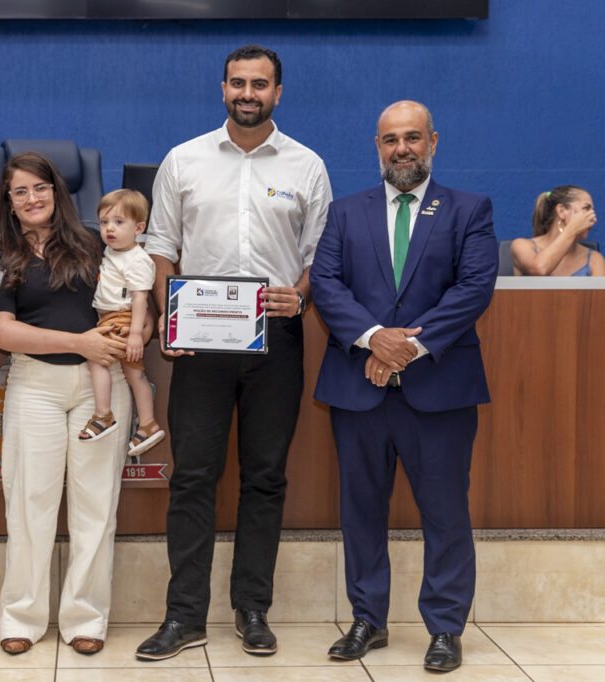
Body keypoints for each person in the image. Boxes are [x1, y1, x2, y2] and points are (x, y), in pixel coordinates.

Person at [136, 45, 332, 661]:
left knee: (265, 478)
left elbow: (319, 260)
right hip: (200, 343)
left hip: (277, 342)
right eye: (238, 83)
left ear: (278, 91)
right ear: (222, 88)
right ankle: (184, 615)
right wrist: (175, 313)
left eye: (261, 84)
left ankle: (253, 610)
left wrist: (298, 297)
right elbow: (162, 246)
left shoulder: (307, 166)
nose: (249, 93)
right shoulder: (184, 159)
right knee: (192, 477)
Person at [310, 101, 498, 672]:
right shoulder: (346, 213)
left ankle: (445, 628)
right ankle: (368, 619)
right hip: (358, 390)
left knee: (444, 512)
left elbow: (473, 289)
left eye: (412, 137)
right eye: (390, 139)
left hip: (439, 389)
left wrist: (405, 348)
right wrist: (373, 338)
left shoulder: (469, 209)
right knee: (360, 510)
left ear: (433, 142)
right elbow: (326, 283)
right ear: (377, 146)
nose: (402, 149)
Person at [0, 151, 135, 656]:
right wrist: (81, 343)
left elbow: (135, 298)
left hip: (102, 387)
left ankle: (85, 619)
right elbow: (2, 331)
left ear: (58, 191)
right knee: (29, 504)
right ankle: (22, 617)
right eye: (20, 191)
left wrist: (139, 327)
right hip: (35, 386)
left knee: (95, 506)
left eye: (40, 188)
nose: (32, 198)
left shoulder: (97, 243)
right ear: (7, 200)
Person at [78, 189, 165, 456]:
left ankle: (103, 414)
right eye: (104, 223)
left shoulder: (137, 260)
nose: (109, 229)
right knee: (134, 374)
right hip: (112, 316)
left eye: (118, 222)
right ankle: (148, 424)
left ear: (139, 228)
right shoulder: (114, 252)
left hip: (122, 317)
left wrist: (136, 334)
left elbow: (140, 299)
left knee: (96, 359)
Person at [511, 186, 604, 276]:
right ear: (561, 211)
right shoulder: (522, 246)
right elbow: (540, 268)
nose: (593, 218)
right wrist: (571, 230)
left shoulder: (594, 259)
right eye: (586, 209)